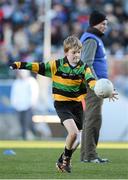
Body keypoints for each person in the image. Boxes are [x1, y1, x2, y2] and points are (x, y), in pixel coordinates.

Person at [10, 36, 97, 173]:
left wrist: (99, 88)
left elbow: (90, 80)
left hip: (77, 105)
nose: (76, 55)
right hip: (62, 105)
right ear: (66, 53)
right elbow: (38, 67)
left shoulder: (83, 68)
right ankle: (66, 160)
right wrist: (20, 65)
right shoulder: (57, 65)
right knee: (73, 133)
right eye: (74, 52)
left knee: (78, 141)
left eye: (79, 52)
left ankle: (61, 159)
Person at [80, 10, 114, 163]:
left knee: (91, 119)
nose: (105, 27)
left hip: (95, 85)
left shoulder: (93, 38)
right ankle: (90, 156)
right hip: (93, 86)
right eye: (103, 24)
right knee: (93, 119)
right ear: (95, 23)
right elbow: (86, 62)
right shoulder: (92, 39)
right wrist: (96, 83)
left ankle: (86, 156)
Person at [10, 70, 39, 140]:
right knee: (21, 121)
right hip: (19, 106)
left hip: (28, 105)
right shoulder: (16, 82)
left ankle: (28, 135)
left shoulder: (31, 81)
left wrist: (33, 103)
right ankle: (27, 136)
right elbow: (14, 94)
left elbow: (34, 93)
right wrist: (14, 103)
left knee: (27, 122)